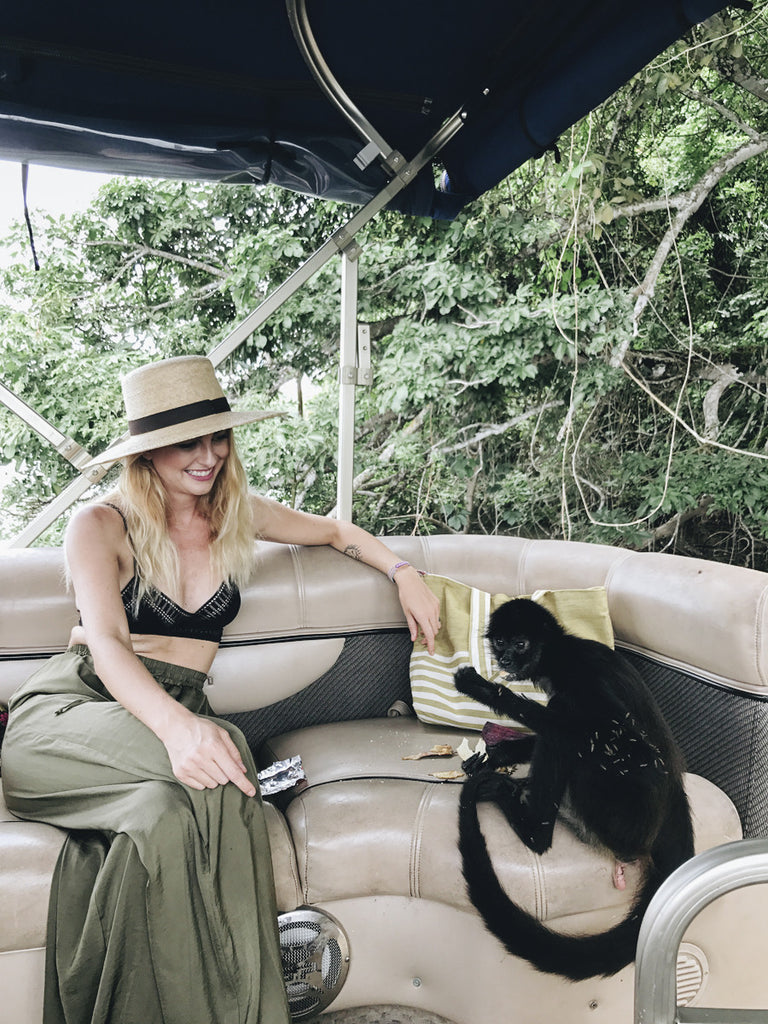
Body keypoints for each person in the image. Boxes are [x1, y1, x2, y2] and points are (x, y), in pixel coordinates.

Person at [1, 355, 441, 1024]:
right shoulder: (99, 526)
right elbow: (111, 648)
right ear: (148, 452)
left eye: (218, 437)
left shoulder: (234, 514)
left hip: (169, 708)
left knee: (165, 817)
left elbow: (333, 531)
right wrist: (180, 729)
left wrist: (403, 571)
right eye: (187, 441)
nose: (207, 456)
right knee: (225, 756)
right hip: (79, 709)